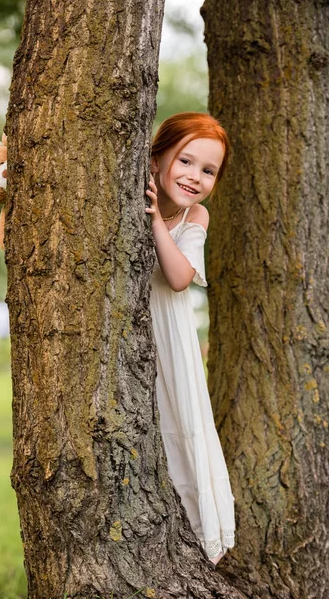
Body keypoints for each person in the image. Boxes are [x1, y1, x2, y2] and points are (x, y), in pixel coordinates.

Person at [145, 112, 235, 566]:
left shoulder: (192, 214)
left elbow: (178, 277)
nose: (194, 177)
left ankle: (193, 538)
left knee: (181, 423)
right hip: (140, 335)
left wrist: (156, 222)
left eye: (207, 171)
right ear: (158, 157)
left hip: (173, 339)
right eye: (185, 161)